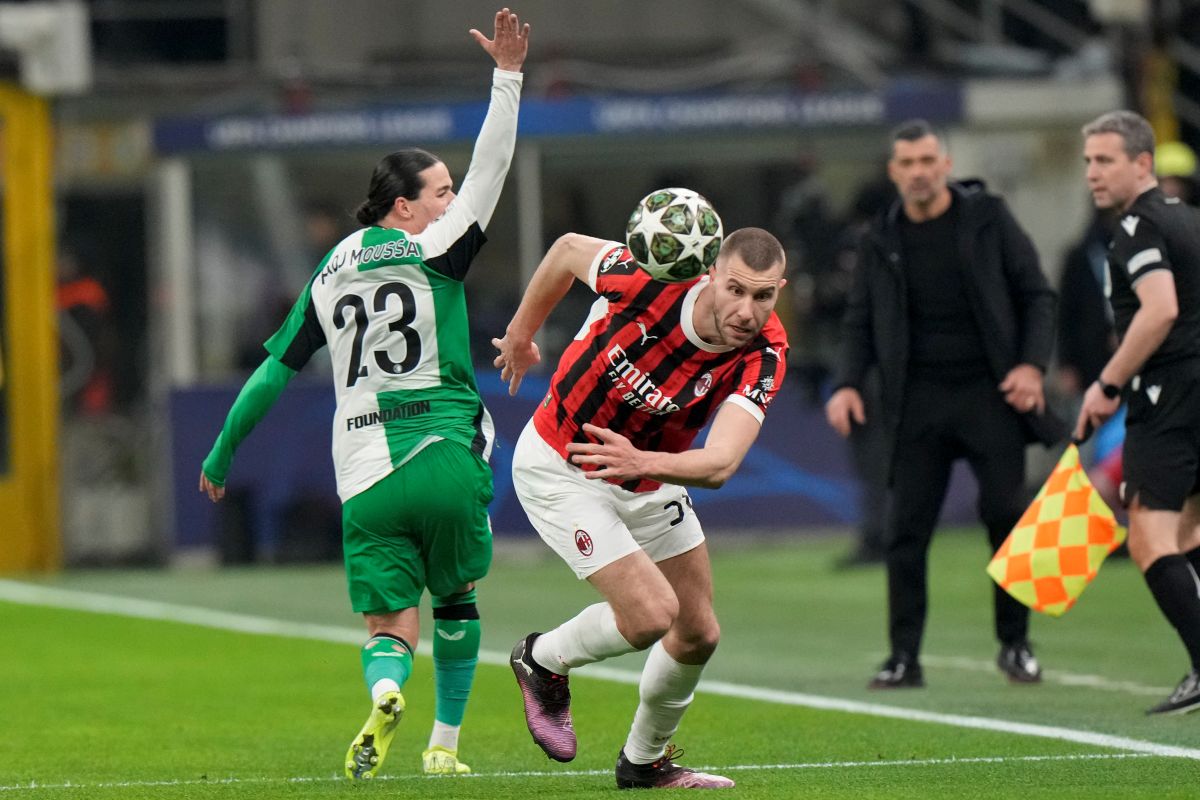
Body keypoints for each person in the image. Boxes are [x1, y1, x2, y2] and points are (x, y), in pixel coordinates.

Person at [197, 8, 530, 778]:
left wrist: (221, 453)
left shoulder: (329, 272)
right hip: (445, 451)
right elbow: (494, 168)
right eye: (439, 191)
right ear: (403, 206)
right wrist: (506, 78)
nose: (453, 202)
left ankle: (386, 690)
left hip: (367, 474)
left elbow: (272, 373)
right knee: (457, 599)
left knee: (388, 624)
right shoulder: (436, 249)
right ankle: (444, 750)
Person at [492, 226, 788, 790]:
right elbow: (565, 251)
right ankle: (542, 659)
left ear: (780, 290)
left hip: (646, 475)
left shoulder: (765, 352)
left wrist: (641, 462)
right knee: (652, 614)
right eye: (735, 290)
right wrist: (520, 335)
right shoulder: (650, 278)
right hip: (561, 466)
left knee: (698, 631)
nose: (747, 310)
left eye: (763, 295)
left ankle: (644, 763)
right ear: (710, 275)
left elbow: (722, 463)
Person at [825, 119, 1059, 689]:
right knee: (905, 531)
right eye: (907, 163)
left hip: (990, 394)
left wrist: (1031, 366)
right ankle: (904, 658)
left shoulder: (988, 218)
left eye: (928, 160)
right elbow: (859, 320)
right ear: (894, 172)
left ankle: (1016, 645)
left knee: (1008, 515)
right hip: (917, 401)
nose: (919, 172)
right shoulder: (880, 238)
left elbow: (1037, 295)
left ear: (946, 164)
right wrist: (849, 382)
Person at [1075, 110, 1200, 715]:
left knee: (1149, 540)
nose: (1092, 173)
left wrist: (1106, 384)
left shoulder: (1135, 227)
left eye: (1105, 160)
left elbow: (1160, 310)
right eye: (1088, 161)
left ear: (1143, 163)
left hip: (1168, 397)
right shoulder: (1189, 222)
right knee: (1191, 533)